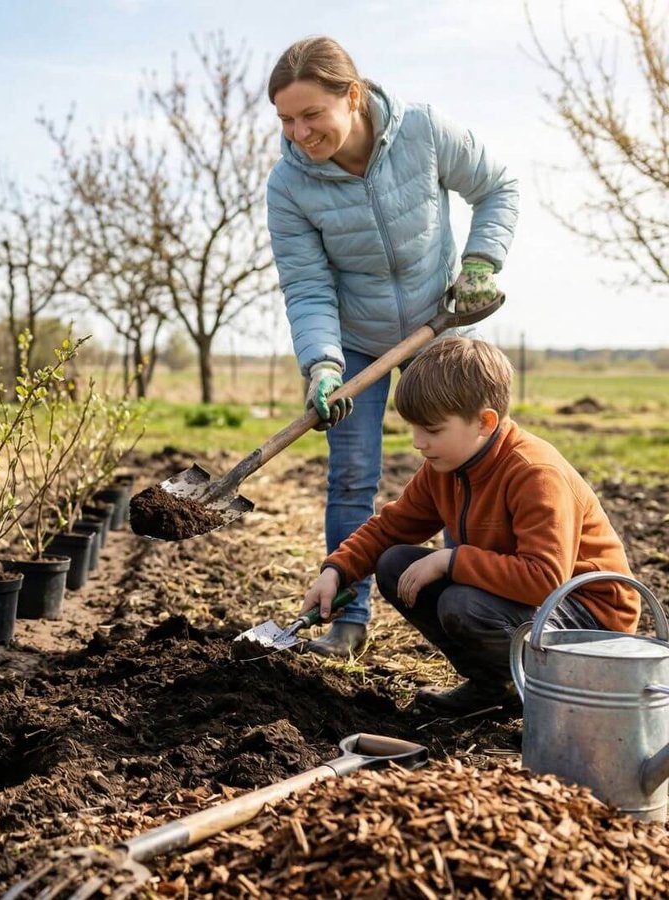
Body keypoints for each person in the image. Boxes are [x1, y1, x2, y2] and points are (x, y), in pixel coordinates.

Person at [266, 36, 520, 657]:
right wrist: (323, 364)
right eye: (286, 120)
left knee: (476, 468)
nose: (300, 132)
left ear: (352, 96)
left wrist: (482, 262)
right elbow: (307, 285)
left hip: (439, 323)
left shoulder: (424, 132)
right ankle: (346, 621)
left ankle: (494, 610)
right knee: (352, 476)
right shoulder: (289, 187)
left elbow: (498, 186)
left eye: (312, 114)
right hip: (354, 343)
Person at [300, 337, 638, 714]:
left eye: (432, 429)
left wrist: (449, 561)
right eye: (414, 428)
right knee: (395, 564)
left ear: (485, 421)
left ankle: (552, 697)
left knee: (463, 604)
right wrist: (336, 570)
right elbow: (390, 528)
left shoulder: (533, 473)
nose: (417, 442)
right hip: (527, 598)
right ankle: (495, 687)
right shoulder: (444, 468)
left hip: (589, 619)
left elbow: (545, 578)